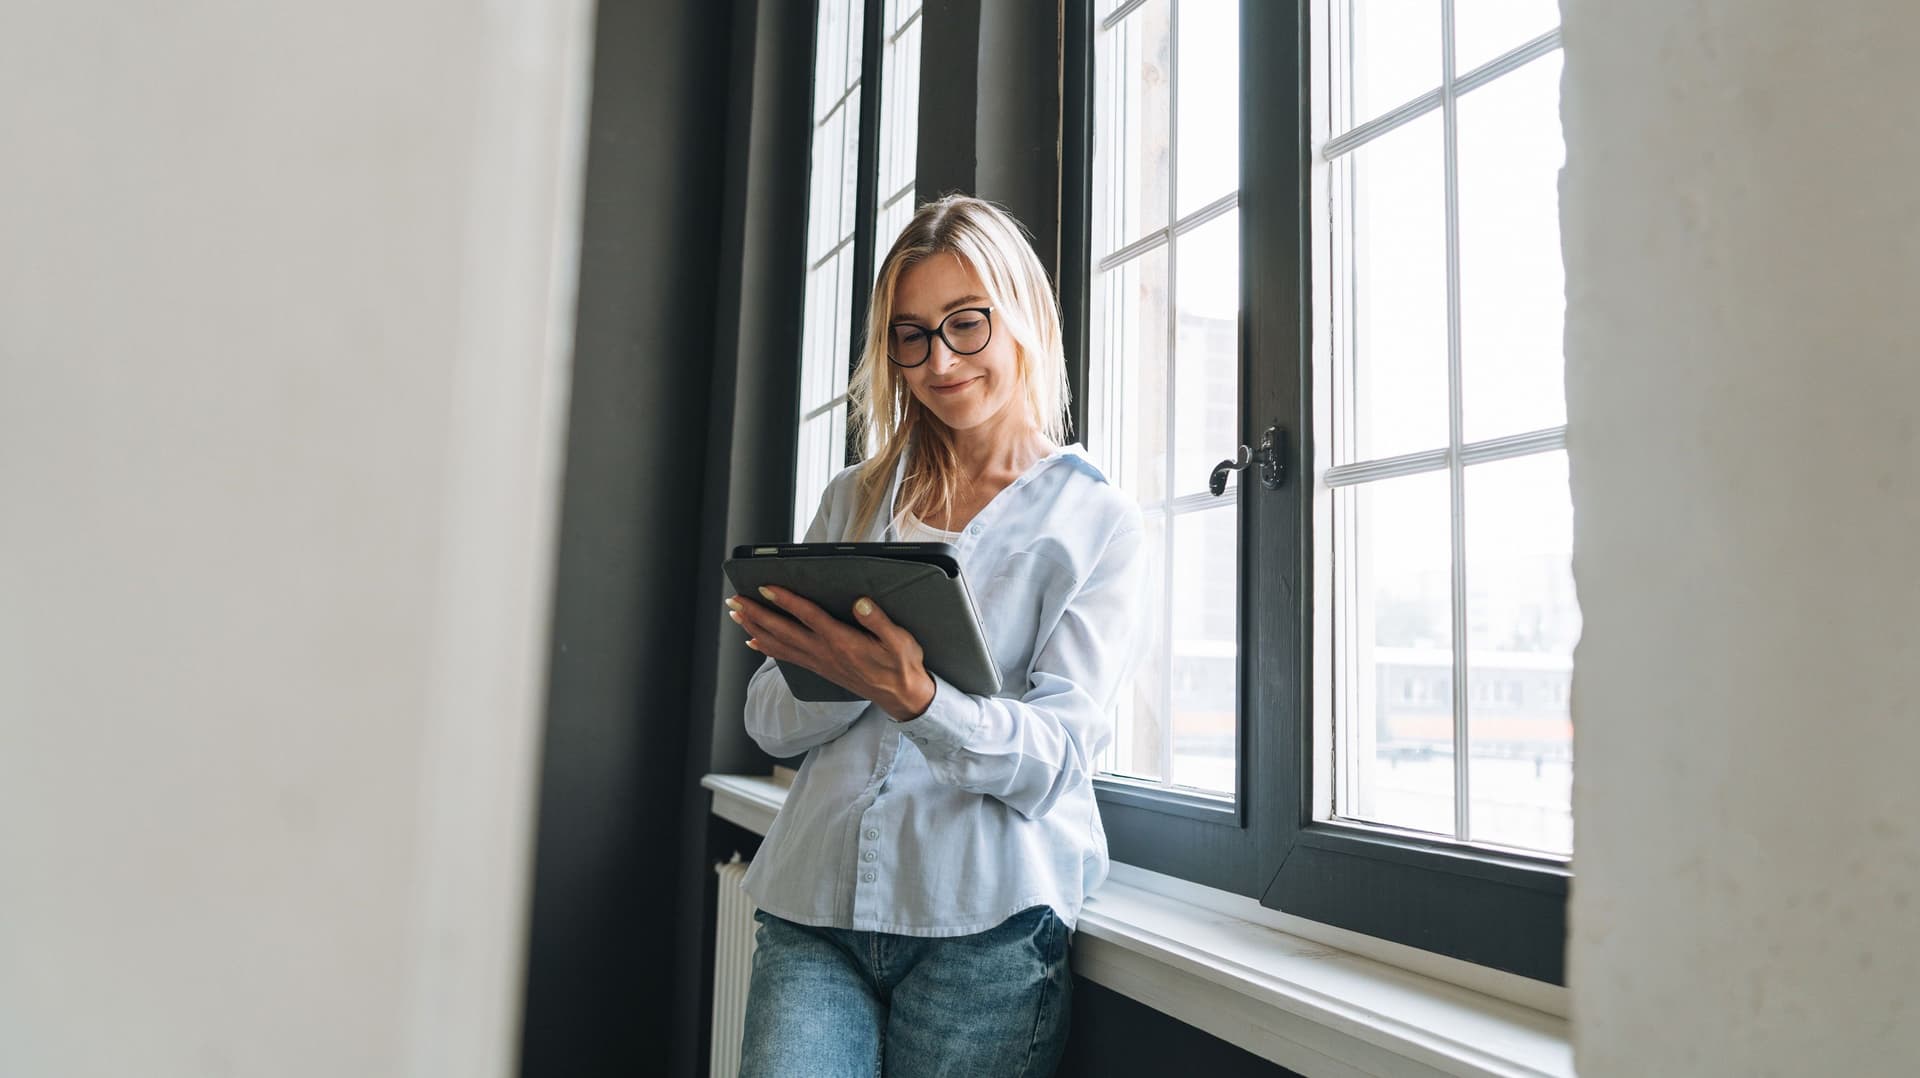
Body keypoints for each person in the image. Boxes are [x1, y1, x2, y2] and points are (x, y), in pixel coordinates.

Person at [725, 195, 1146, 1077]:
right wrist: (842, 672)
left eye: (966, 325)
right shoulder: (855, 497)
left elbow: (1054, 760)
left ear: (1021, 314)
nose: (939, 361)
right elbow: (768, 719)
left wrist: (913, 697)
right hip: (815, 908)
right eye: (910, 336)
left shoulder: (1095, 519)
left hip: (984, 927)